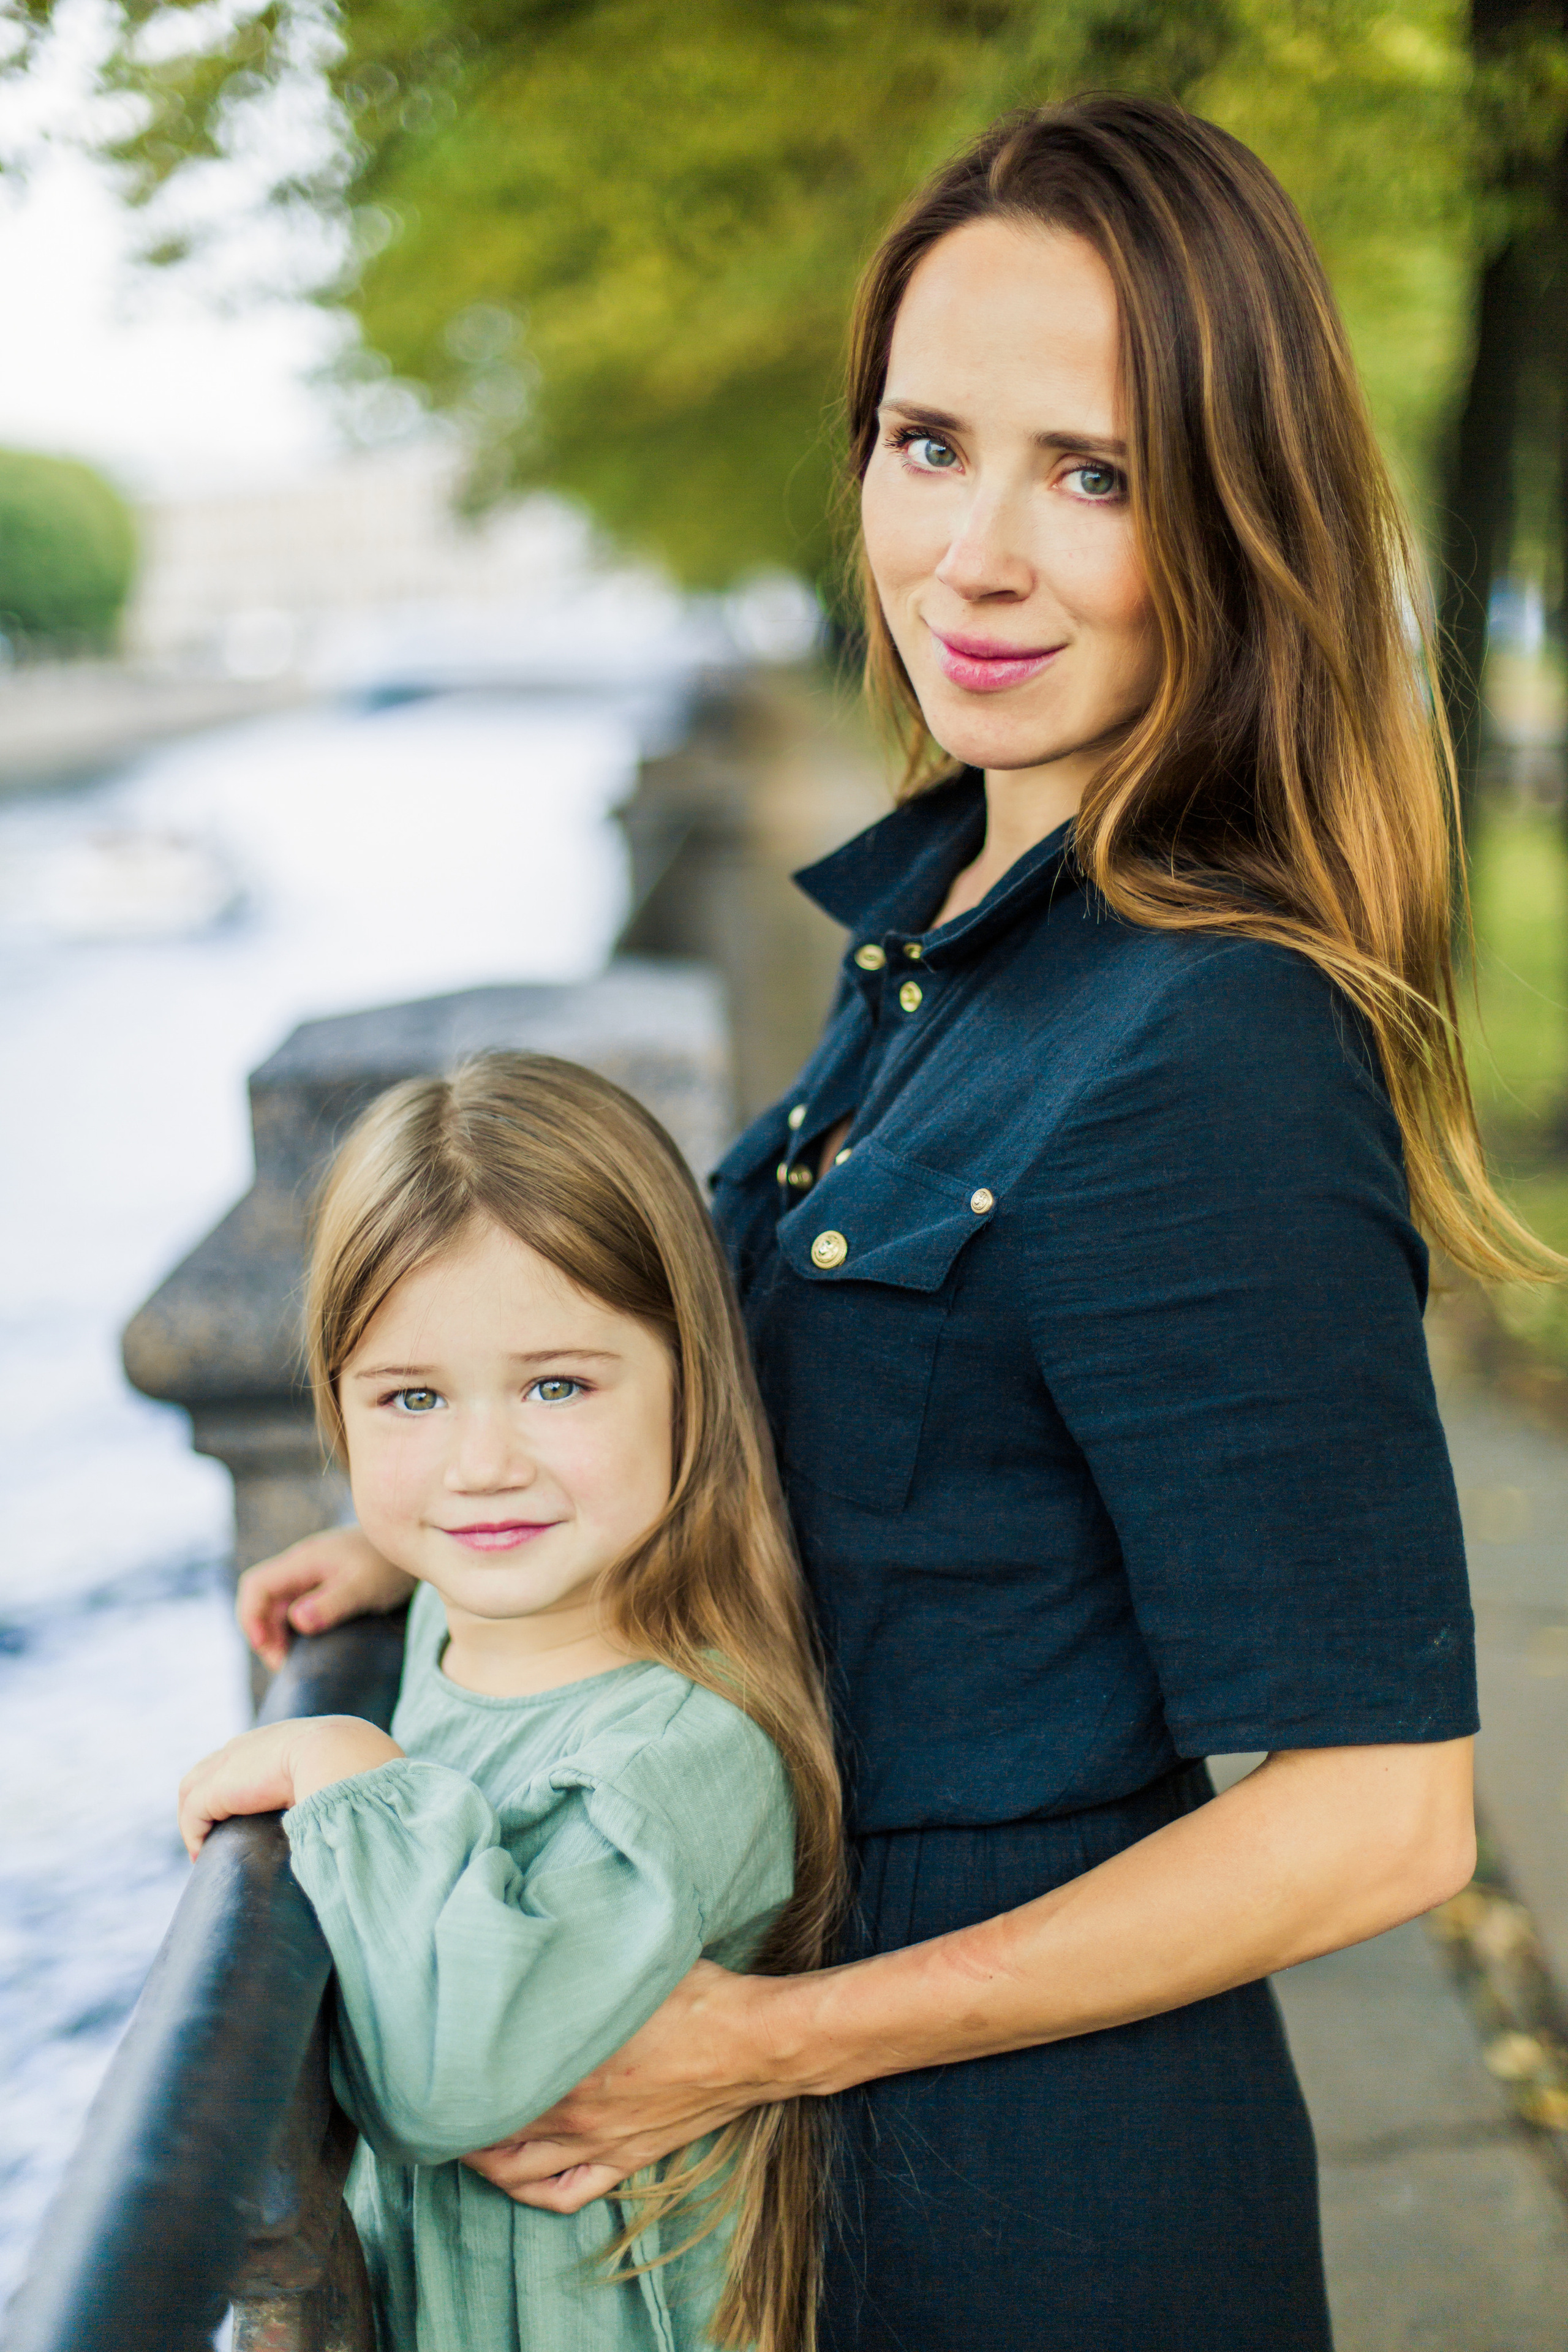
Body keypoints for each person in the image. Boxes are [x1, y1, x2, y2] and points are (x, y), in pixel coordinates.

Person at [233, 96, 1551, 2351]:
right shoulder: (940, 929)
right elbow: (855, 1425)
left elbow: (1381, 1825)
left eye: (1098, 473)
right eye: (931, 443)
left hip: (1033, 2207)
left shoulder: (1209, 1039)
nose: (980, 553)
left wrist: (772, 2044)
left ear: (1237, 522)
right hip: (815, 2184)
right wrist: (467, 1508)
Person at [182, 1053, 842, 2352]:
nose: (482, 1465)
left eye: (557, 1386)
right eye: (412, 1400)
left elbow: (452, 2080)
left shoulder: (676, 1750)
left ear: (688, 1387)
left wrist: (347, 1763)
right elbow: (485, 1511)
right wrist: (398, 1555)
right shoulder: (459, 1615)